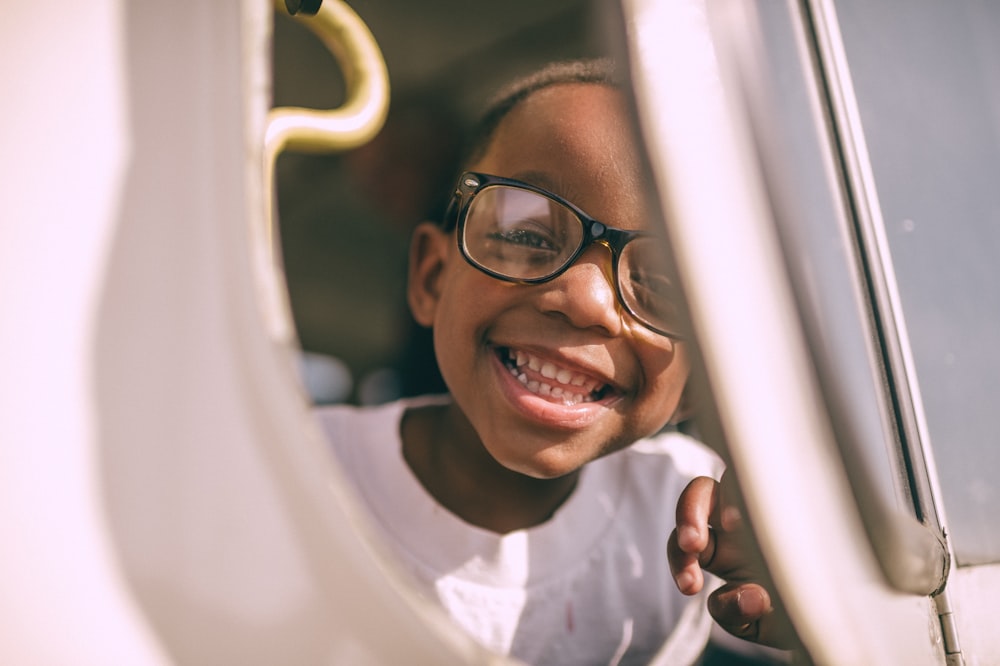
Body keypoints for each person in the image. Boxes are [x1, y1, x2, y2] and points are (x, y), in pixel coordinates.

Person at [316, 59, 784, 665]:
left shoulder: (689, 524)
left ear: (702, 380)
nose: (588, 302)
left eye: (664, 284)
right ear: (432, 278)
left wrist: (810, 597)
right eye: (530, 235)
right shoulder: (295, 463)